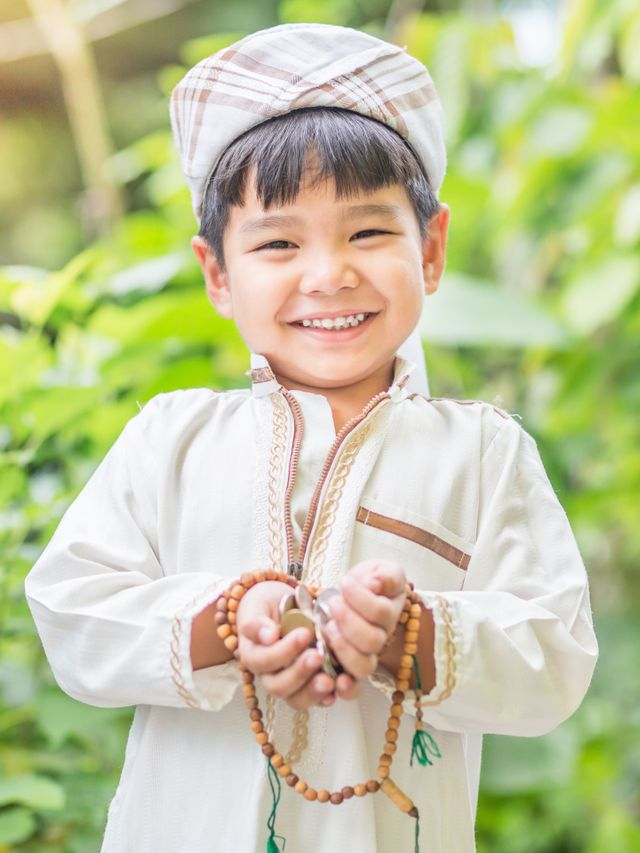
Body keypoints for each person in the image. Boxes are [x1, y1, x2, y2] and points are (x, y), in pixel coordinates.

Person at [25, 22, 598, 853]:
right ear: (217, 273)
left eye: (368, 232)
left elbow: (554, 649)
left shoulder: (485, 453)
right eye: (280, 242)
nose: (329, 273)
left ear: (430, 249)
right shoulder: (169, 439)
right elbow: (72, 607)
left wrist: (412, 632)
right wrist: (225, 619)